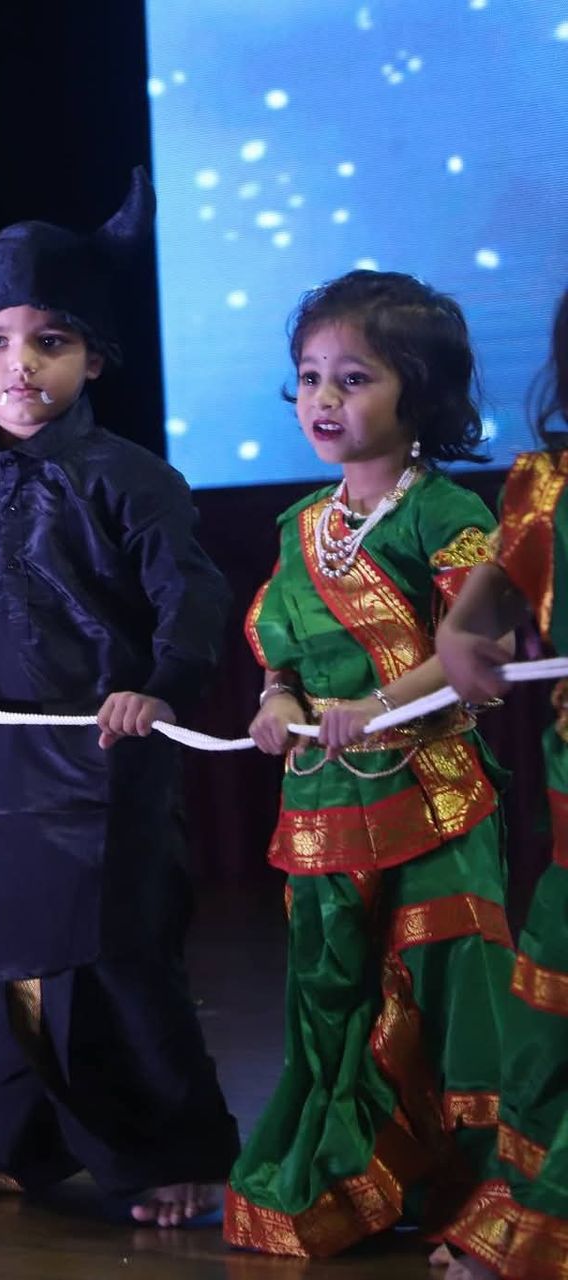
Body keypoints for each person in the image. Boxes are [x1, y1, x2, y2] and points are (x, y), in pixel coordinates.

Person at [0, 169, 241, 1225]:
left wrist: (155, 687)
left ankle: (173, 1150)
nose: (20, 364)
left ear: (94, 355)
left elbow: (191, 593)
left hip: (100, 766)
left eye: (50, 341)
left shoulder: (131, 477)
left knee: (117, 967)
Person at [226, 270, 511, 1258]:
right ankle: (350, 1181)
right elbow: (285, 657)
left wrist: (375, 706)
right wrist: (278, 704)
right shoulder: (300, 527)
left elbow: (476, 645)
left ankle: (471, 1202)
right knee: (331, 990)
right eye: (309, 377)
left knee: (446, 982)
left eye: (355, 377)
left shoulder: (448, 514)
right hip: (325, 806)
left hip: (434, 800)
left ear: (419, 391)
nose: (324, 400)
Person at [430, 285, 568, 1280]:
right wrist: (468, 646)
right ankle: (535, 1219)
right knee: (552, 1015)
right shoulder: (547, 486)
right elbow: (471, 621)